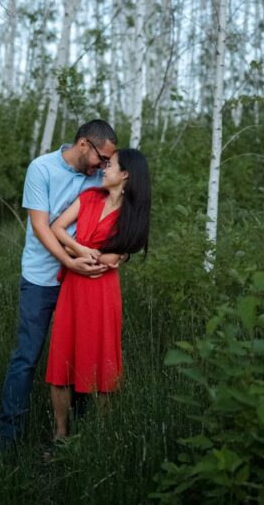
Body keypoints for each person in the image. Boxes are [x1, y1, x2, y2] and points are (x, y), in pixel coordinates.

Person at [0, 120, 123, 451]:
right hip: (41, 278)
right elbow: (40, 226)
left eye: (108, 161)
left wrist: (120, 254)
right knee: (27, 356)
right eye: (101, 158)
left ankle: (73, 435)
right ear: (83, 145)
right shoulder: (42, 169)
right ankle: (6, 437)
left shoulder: (99, 176)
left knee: (77, 357)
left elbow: (121, 213)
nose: (103, 165)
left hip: (82, 282)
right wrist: (70, 260)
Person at [45, 148, 151, 442]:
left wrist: (76, 248)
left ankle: (102, 437)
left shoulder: (131, 215)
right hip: (73, 287)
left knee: (101, 357)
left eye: (111, 164)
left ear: (126, 174)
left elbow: (113, 259)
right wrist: (78, 249)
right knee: (61, 357)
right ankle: (60, 434)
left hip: (103, 294)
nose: (104, 168)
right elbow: (56, 227)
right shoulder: (90, 197)